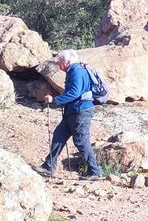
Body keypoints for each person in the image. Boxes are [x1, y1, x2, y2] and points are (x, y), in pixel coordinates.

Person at [38, 50, 104, 180]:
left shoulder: (77, 71)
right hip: (73, 111)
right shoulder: (74, 70)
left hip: (81, 111)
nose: (58, 63)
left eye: (60, 61)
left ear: (67, 62)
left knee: (81, 141)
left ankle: (95, 171)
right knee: (59, 136)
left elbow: (75, 92)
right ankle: (48, 167)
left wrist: (55, 100)